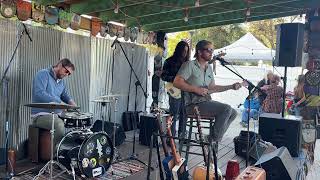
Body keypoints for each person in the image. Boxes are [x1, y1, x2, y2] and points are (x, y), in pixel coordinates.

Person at [173, 40, 242, 144]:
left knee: (233, 113)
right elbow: (176, 82)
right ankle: (211, 140)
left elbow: (212, 87)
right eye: (209, 50)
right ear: (200, 52)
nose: (211, 53)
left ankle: (213, 139)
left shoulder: (209, 68)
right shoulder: (189, 65)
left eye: (212, 50)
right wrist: (195, 89)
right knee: (226, 109)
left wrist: (231, 86)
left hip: (205, 102)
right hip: (192, 105)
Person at [31, 58, 76, 150]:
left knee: (75, 122)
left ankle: (71, 153)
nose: (67, 75)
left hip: (57, 114)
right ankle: (57, 154)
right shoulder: (43, 74)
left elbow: (65, 95)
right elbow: (39, 93)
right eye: (66, 71)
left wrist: (72, 103)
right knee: (59, 125)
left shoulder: (61, 82)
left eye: (69, 74)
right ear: (60, 65)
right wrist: (60, 103)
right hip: (40, 116)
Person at [161, 41, 190, 138]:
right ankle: (171, 137)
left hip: (185, 91)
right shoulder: (169, 61)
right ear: (178, 50)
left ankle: (182, 136)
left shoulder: (188, 63)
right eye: (183, 51)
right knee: (173, 113)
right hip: (174, 90)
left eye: (186, 51)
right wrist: (176, 80)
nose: (185, 53)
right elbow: (163, 76)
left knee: (184, 114)